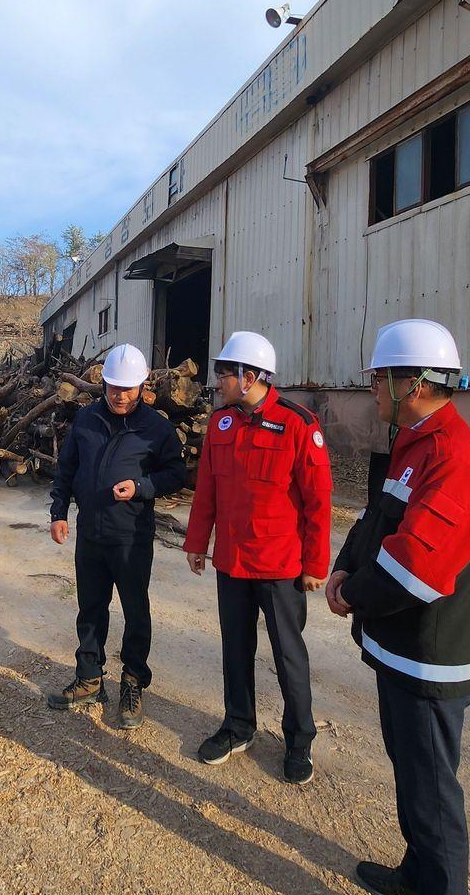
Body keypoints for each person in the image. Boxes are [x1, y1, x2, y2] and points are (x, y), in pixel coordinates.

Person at [325, 319, 470, 895]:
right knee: (411, 775)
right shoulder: (413, 442)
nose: (372, 388)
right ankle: (418, 872)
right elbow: (378, 519)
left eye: (379, 378)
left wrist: (354, 595)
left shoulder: (457, 457)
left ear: (414, 383)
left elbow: (418, 567)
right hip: (399, 650)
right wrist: (345, 567)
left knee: (432, 792)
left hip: (432, 655)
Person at [182, 331, 332, 784]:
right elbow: (207, 487)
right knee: (236, 646)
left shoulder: (298, 424)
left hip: (281, 565)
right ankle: (238, 725)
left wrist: (315, 565)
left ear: (251, 378)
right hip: (232, 560)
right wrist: (196, 541)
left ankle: (299, 741)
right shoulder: (222, 423)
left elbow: (318, 502)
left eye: (225, 374)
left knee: (288, 654)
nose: (218, 381)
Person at [46, 343, 185, 729]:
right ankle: (89, 678)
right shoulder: (87, 420)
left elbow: (176, 474)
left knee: (135, 611)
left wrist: (141, 487)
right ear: (103, 384)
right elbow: (67, 470)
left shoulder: (155, 428)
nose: (119, 395)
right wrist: (59, 512)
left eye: (127, 388)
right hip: (90, 534)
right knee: (90, 608)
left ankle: (133, 682)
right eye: (112, 387)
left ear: (142, 386)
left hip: (130, 538)